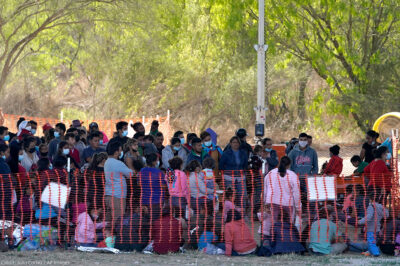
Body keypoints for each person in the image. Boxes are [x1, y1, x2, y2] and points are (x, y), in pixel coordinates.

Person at [349, 187, 389, 256]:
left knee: (371, 241)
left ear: (370, 199)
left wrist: (360, 221)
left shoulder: (371, 206)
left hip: (371, 227)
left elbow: (369, 217)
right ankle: (370, 252)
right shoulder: (381, 207)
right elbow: (387, 215)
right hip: (377, 227)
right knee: (373, 240)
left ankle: (376, 253)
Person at [264, 156, 301, 224]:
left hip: (273, 203)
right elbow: (296, 194)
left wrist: (265, 202)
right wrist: (298, 207)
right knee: (288, 226)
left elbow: (265, 190)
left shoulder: (270, 173)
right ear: (289, 165)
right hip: (288, 205)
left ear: (279, 163)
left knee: (274, 225)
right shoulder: (293, 176)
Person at [104, 141, 134, 223]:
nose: (121, 153)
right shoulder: (118, 163)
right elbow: (131, 174)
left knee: (109, 221)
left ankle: (108, 235)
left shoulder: (107, 162)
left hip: (109, 194)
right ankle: (116, 236)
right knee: (118, 221)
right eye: (120, 150)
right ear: (116, 152)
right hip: (117, 196)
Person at [220, 136, 248, 210]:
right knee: (230, 195)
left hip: (240, 177)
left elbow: (245, 165)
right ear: (230, 143)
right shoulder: (226, 153)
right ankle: (229, 213)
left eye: (237, 142)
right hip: (229, 177)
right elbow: (221, 165)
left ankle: (242, 213)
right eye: (234, 142)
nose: (236, 144)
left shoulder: (243, 153)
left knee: (242, 195)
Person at [139, 153, 165, 221]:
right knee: (155, 221)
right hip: (156, 201)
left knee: (145, 222)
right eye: (157, 160)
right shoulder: (159, 172)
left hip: (144, 200)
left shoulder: (142, 171)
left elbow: (139, 184)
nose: (157, 162)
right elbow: (163, 186)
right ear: (154, 162)